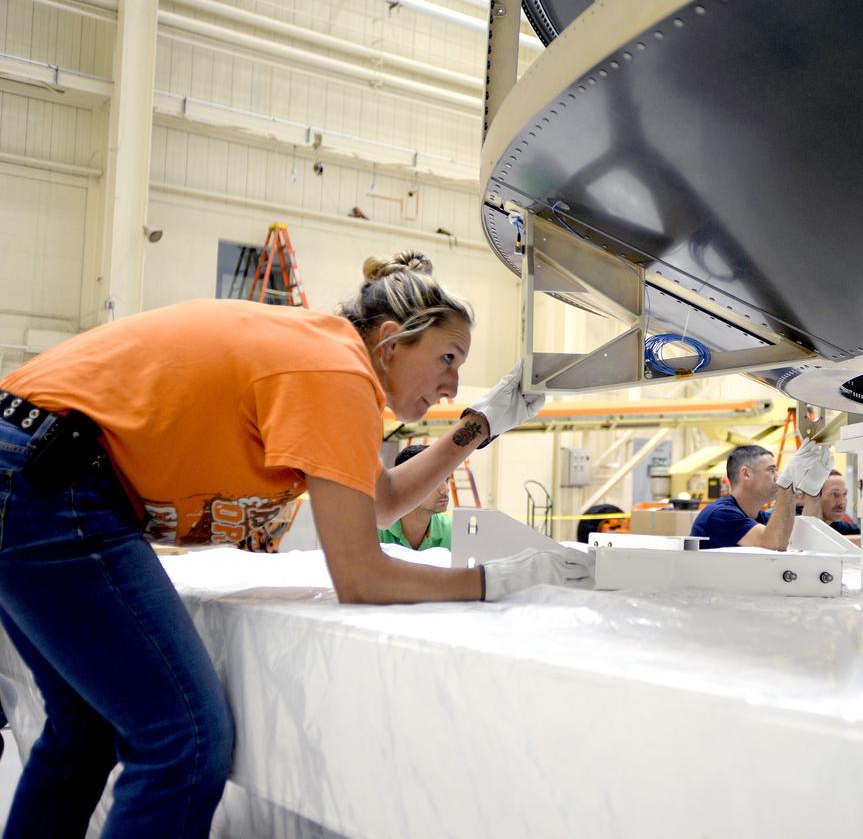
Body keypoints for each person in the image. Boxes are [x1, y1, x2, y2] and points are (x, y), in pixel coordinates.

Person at [0, 250, 588, 838]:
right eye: (447, 358)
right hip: (50, 478)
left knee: (84, 730)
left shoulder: (323, 356)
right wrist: (501, 582)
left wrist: (478, 426)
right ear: (390, 342)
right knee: (185, 739)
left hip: (26, 460)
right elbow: (362, 579)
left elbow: (377, 500)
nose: (454, 383)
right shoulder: (335, 373)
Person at [690, 442, 832, 549]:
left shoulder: (762, 519)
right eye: (771, 471)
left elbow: (804, 539)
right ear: (746, 474)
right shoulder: (720, 515)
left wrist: (813, 492)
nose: (777, 478)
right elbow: (775, 544)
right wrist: (787, 484)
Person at [379, 444, 453, 550]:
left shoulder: (451, 531)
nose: (446, 489)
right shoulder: (373, 528)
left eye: (446, 479)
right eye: (434, 480)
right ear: (404, 483)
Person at [803, 470, 861, 542]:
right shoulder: (795, 521)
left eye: (844, 494)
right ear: (815, 496)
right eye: (834, 494)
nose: (841, 502)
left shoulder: (843, 527)